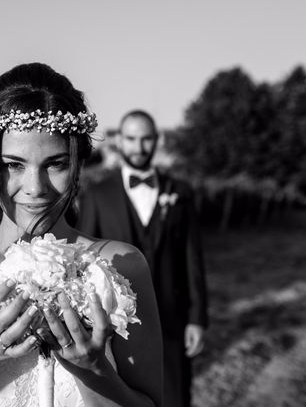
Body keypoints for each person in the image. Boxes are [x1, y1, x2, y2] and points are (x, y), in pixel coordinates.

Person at [0, 64, 164, 407]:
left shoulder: (121, 265)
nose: (35, 188)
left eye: (56, 164)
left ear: (78, 163)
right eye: (14, 164)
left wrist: (91, 369)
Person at [77, 110, 208, 407]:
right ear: (120, 141)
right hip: (115, 323)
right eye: (132, 139)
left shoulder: (181, 193)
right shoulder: (97, 194)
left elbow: (193, 260)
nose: (139, 147)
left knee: (175, 399)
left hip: (172, 320)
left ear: (156, 141)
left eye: (146, 139)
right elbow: (84, 261)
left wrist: (197, 318)